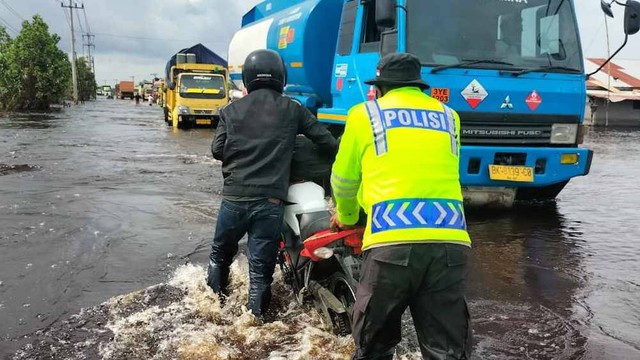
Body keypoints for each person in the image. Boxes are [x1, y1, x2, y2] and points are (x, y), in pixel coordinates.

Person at [330, 53, 473, 359]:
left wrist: (347, 217)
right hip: (451, 244)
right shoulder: (450, 116)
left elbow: (343, 180)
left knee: (374, 345)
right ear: (418, 86)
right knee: (447, 350)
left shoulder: (363, 115)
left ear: (380, 87)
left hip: (391, 242)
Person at [208, 49, 338, 320]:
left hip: (234, 200)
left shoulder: (230, 111)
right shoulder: (293, 109)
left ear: (247, 79)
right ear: (281, 77)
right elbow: (326, 142)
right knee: (259, 270)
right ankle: (254, 320)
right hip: (270, 202)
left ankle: (215, 310)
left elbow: (217, 149)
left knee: (220, 256)